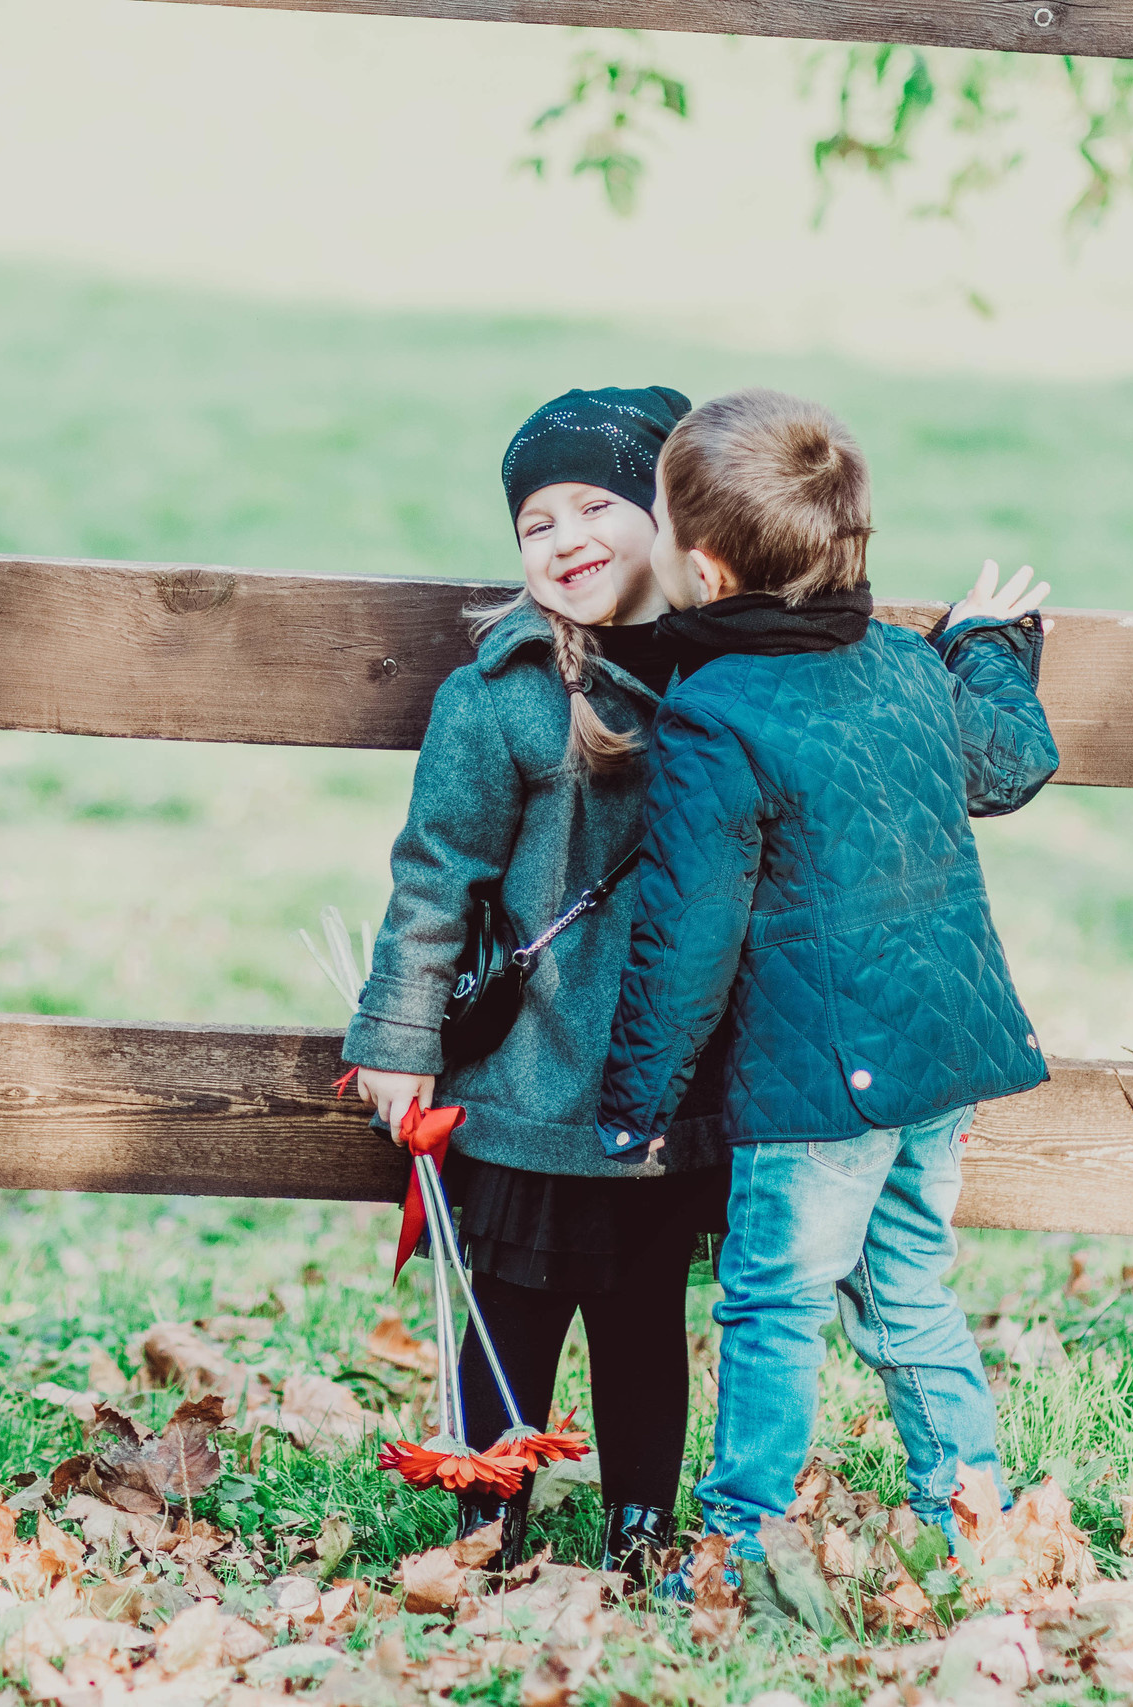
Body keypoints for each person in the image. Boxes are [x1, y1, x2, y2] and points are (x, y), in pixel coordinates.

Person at [593, 388, 1058, 1568]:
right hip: (937, 1055)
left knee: (772, 1306)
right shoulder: (904, 663)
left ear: (702, 569)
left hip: (816, 1083)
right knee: (907, 1291)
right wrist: (984, 648)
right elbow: (1011, 759)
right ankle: (973, 1520)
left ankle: (740, 1547)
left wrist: (634, 1100)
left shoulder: (715, 714)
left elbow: (686, 932)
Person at [343, 385, 727, 1586]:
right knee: (507, 1313)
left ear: (669, 514)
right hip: (526, 1080)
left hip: (665, 1089)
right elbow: (434, 879)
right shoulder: (501, 695)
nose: (564, 539)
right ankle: (485, 1519)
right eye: (535, 523)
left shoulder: (735, 677)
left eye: (594, 506)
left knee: (642, 1321)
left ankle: (638, 1527)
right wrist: (397, 1035)